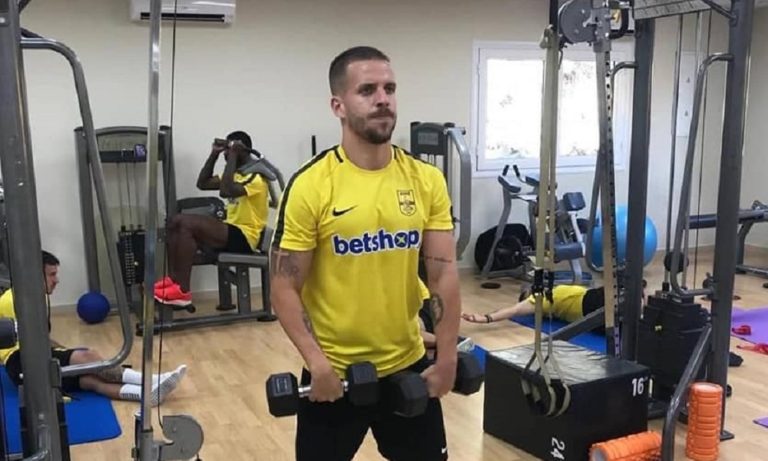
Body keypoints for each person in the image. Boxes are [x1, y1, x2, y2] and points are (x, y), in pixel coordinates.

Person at [270, 46, 461, 461]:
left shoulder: (426, 179)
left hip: (408, 363)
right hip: (333, 372)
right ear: (337, 105)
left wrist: (447, 356)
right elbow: (284, 286)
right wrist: (316, 363)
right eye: (367, 90)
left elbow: (443, 274)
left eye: (389, 89)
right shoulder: (311, 184)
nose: (383, 99)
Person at [0, 251, 186, 405]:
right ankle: (152, 379)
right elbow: (31, 343)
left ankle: (146, 395)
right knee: (87, 357)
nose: (57, 280)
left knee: (89, 380)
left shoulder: (36, 297)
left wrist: (64, 351)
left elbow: (41, 338)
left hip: (27, 361)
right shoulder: (15, 301)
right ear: (34, 275)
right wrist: (73, 357)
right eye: (51, 275)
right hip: (20, 363)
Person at [154, 130, 269, 306]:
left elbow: (226, 191)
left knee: (185, 222)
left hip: (245, 238)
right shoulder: (235, 175)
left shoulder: (256, 178)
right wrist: (214, 154)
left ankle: (182, 291)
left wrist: (233, 156)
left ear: (242, 151)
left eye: (229, 150)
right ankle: (174, 281)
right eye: (226, 150)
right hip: (231, 231)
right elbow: (202, 183)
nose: (226, 154)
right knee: (174, 222)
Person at [462, 281, 647, 325]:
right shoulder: (541, 300)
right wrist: (485, 318)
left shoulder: (552, 293)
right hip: (588, 304)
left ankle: (644, 307)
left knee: (632, 291)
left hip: (590, 299)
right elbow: (515, 310)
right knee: (633, 288)